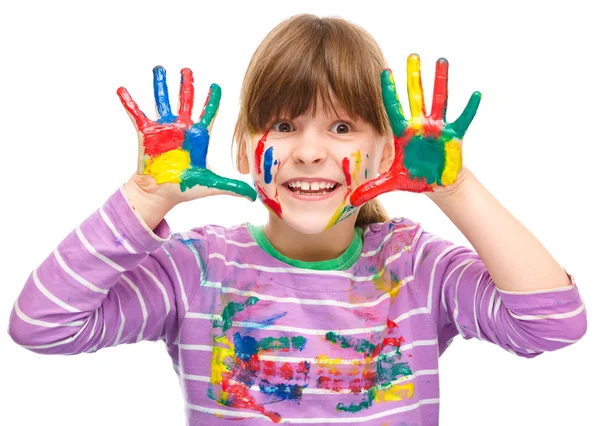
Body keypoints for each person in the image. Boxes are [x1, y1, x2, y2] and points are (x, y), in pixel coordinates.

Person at [7, 14, 587, 425]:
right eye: (284, 126)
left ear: (387, 152)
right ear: (242, 150)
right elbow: (42, 327)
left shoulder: (414, 266)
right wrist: (145, 196)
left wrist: (455, 187)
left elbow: (553, 324)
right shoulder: (196, 268)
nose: (309, 152)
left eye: (341, 128)